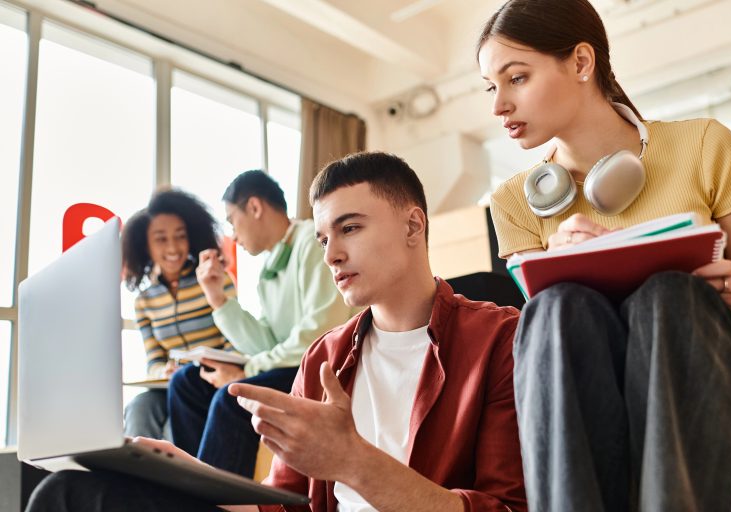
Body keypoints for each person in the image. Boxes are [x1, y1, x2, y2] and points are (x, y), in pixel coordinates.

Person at [26, 151, 528, 512]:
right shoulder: (325, 356)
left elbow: (503, 508)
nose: (331, 254)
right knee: (68, 492)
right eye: (324, 237)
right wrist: (187, 472)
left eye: (350, 228)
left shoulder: (499, 339)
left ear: (413, 227)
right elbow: (281, 502)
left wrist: (354, 464)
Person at [477, 1, 731, 510]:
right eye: (490, 87)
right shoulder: (513, 203)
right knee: (556, 307)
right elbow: (556, 359)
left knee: (671, 296)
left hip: (712, 413)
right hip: (594, 428)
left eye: (516, 78)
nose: (498, 105)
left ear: (582, 63)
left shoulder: (704, 145)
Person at [167, 170, 353, 478]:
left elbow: (318, 337)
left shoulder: (312, 242)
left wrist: (247, 371)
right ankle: (190, 488)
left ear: (254, 207)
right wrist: (218, 299)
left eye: (231, 220)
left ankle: (215, 504)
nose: (233, 235)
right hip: (290, 365)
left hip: (319, 367)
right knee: (186, 382)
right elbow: (265, 343)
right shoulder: (269, 268)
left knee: (233, 399)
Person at [122, 189, 237, 440]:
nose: (173, 247)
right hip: (167, 388)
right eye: (161, 239)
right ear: (146, 246)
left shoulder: (214, 280)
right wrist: (162, 372)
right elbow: (154, 361)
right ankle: (135, 479)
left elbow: (235, 342)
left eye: (180, 237)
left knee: (172, 429)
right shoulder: (144, 302)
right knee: (138, 409)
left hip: (209, 384)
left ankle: (172, 478)